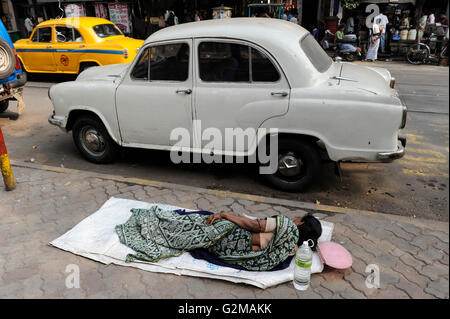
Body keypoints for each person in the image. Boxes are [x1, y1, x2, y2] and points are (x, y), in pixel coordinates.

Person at [115, 206, 322, 271]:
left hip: (228, 240)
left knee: (204, 222)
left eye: (299, 218)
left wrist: (225, 214)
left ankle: (151, 224)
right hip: (230, 254)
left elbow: (252, 225)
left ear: (301, 223)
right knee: (207, 223)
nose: (295, 218)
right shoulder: (292, 250)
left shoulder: (286, 225)